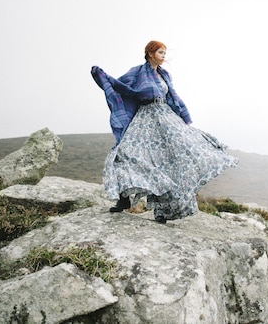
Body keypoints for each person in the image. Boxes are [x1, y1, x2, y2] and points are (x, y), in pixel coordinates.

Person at [91, 40, 238, 223]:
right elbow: (118, 87)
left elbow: (172, 96)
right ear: (151, 53)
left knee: (168, 162)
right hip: (145, 117)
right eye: (160, 52)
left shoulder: (164, 75)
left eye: (164, 53)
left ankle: (163, 212)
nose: (163, 56)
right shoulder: (136, 72)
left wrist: (183, 117)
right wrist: (101, 75)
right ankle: (123, 201)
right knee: (123, 154)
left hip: (165, 117)